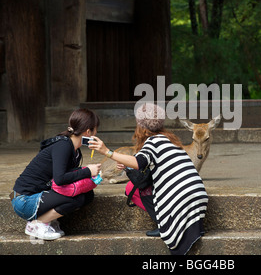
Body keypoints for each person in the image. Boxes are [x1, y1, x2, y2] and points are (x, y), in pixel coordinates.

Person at [89, 103, 208, 255]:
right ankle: (180, 225)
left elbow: (139, 163)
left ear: (142, 126)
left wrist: (107, 151)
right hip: (198, 195)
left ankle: (165, 225)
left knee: (133, 189)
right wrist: (126, 166)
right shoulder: (171, 141)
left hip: (182, 197)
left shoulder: (153, 142)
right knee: (138, 186)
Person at [10, 109, 101, 240]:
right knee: (77, 198)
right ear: (88, 131)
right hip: (24, 200)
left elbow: (65, 175)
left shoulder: (74, 150)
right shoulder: (63, 145)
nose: (96, 133)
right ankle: (37, 224)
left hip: (37, 196)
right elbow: (60, 179)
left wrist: (86, 172)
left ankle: (47, 221)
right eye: (95, 129)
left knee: (87, 195)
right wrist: (87, 171)